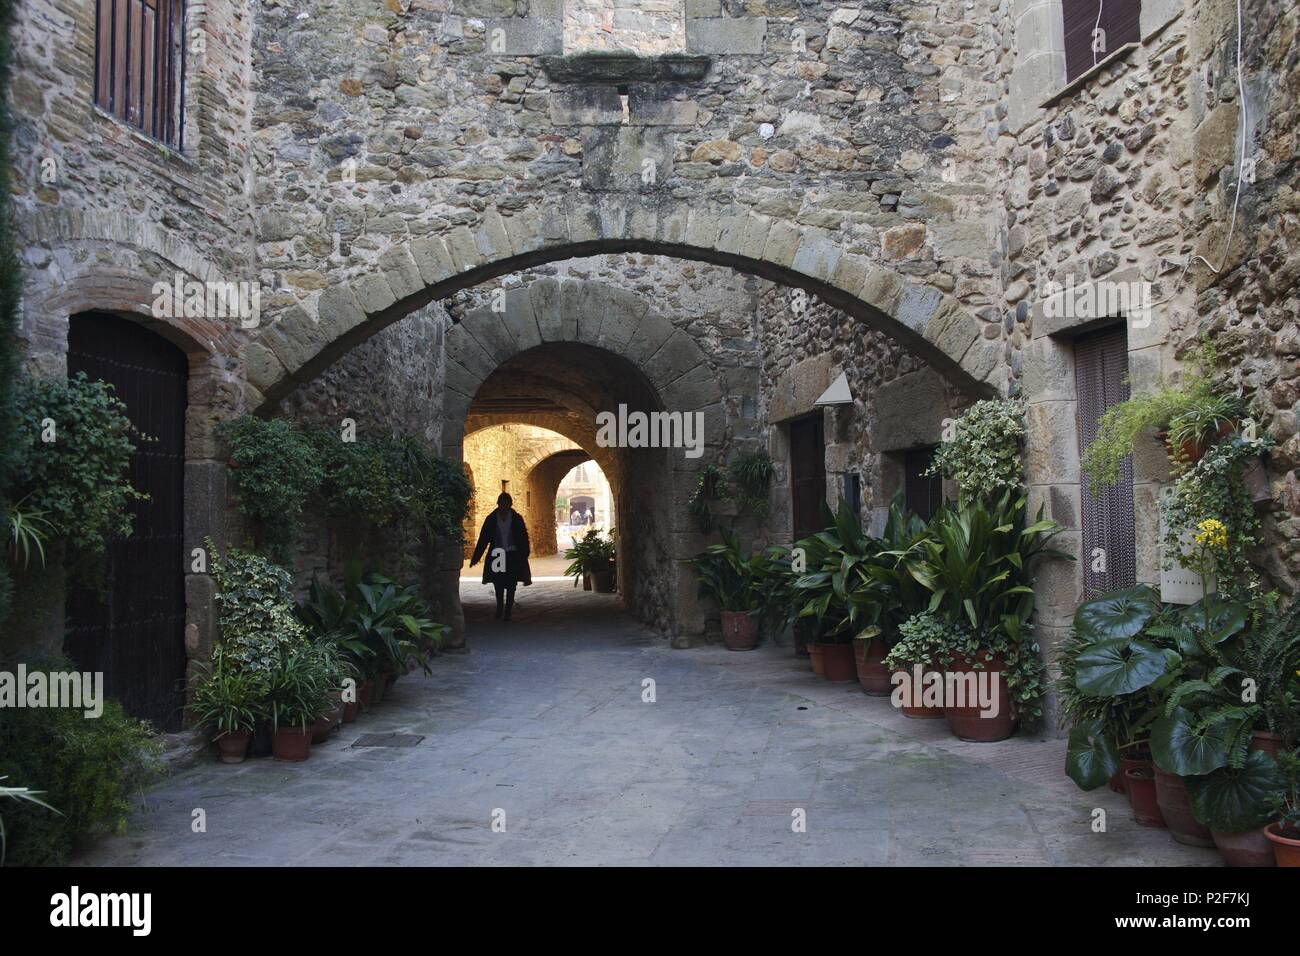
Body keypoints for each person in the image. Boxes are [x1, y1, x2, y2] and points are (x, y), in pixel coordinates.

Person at [469, 492, 532, 620]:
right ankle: (499, 608)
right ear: (498, 504)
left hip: (512, 554)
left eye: (506, 504)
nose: (503, 507)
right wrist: (476, 557)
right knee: (498, 582)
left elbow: (523, 536)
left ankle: (508, 610)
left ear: (510, 505)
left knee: (511, 583)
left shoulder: (516, 519)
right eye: (501, 504)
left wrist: (525, 553)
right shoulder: (491, 519)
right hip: (497, 554)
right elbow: (484, 538)